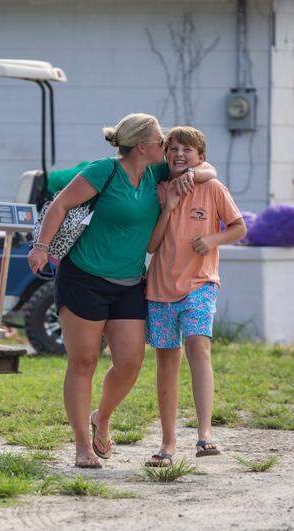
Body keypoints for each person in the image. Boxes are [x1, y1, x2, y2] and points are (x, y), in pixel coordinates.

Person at [28, 113, 216, 469]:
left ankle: (102, 417)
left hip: (130, 283)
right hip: (84, 278)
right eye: (162, 141)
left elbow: (209, 170)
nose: (168, 148)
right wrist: (41, 246)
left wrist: (192, 173)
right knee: (82, 362)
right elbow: (60, 204)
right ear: (143, 146)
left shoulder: (156, 172)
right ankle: (83, 446)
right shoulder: (104, 171)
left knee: (130, 363)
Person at [143, 126, 246, 466]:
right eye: (173, 148)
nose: (179, 154)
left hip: (201, 282)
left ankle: (205, 435)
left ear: (201, 157)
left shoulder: (212, 187)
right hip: (160, 289)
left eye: (187, 149)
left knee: (198, 346)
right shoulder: (160, 188)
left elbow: (238, 226)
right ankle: (168, 443)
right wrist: (168, 206)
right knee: (166, 361)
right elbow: (151, 245)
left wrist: (213, 241)